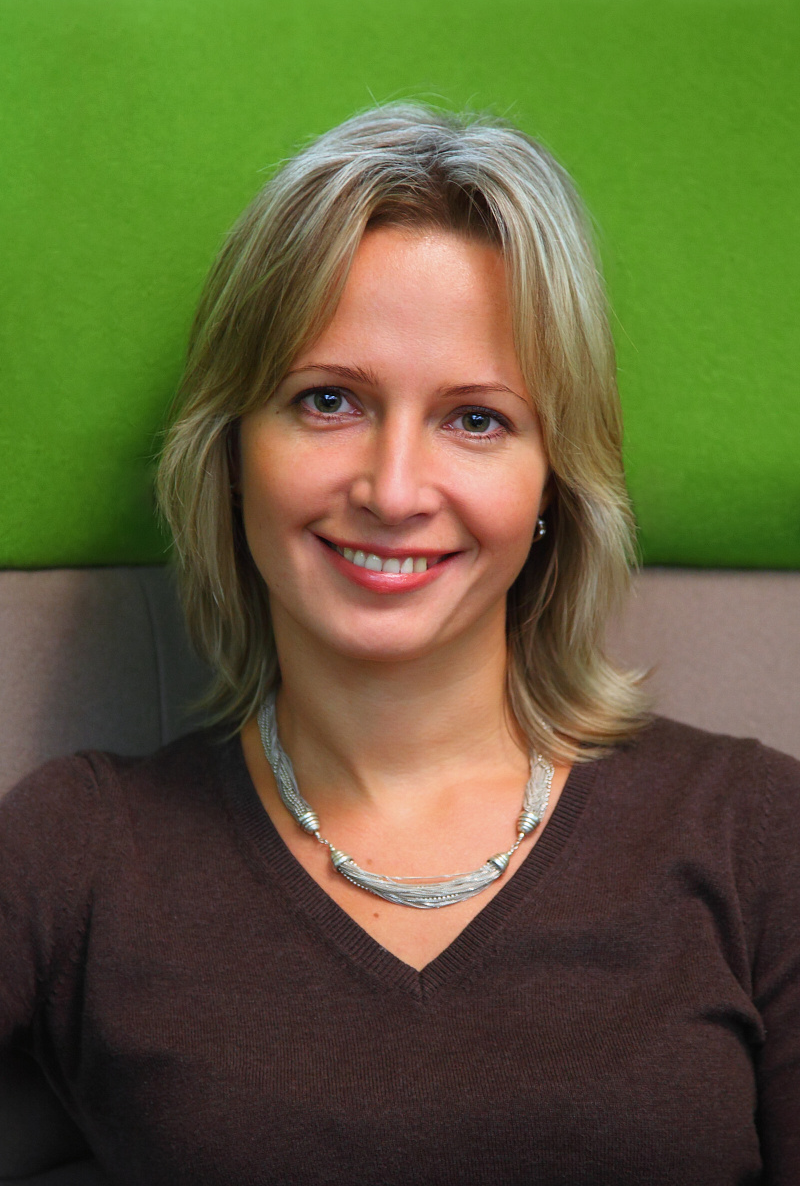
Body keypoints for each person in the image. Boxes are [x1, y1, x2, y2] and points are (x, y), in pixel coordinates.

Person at [1, 104, 799, 1184]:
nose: (392, 491)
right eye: (328, 400)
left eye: (475, 419)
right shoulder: (78, 850)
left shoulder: (758, 835)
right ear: (231, 454)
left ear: (552, 484)